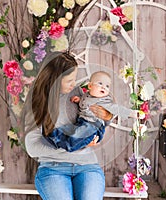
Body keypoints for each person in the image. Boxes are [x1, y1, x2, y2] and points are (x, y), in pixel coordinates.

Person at [24, 52, 113, 200]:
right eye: (69, 80)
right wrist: (71, 144)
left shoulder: (76, 93)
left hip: (87, 166)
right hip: (53, 169)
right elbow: (32, 148)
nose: (74, 84)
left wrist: (107, 116)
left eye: (75, 79)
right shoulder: (37, 103)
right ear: (55, 80)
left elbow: (94, 119)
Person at [45, 71, 139, 152]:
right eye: (100, 83)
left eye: (107, 86)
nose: (104, 87)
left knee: (77, 136)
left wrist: (132, 113)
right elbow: (86, 102)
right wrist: (79, 100)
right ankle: (54, 136)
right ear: (90, 86)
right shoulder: (87, 95)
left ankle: (69, 146)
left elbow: (117, 109)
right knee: (67, 129)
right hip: (82, 122)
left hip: (93, 126)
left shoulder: (104, 100)